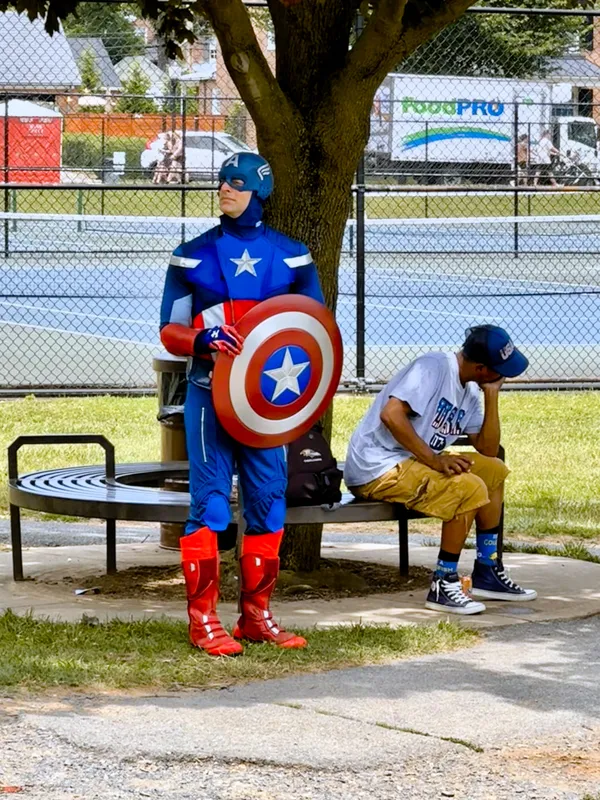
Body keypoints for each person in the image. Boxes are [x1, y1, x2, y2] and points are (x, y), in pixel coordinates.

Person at [160, 152, 324, 656]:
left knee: (269, 505)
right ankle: (203, 621)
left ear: (260, 190)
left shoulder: (293, 256)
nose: (225, 191)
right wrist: (201, 340)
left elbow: (316, 329)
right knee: (209, 506)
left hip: (267, 407)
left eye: (236, 183)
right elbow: (169, 330)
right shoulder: (191, 255)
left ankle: (256, 617)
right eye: (222, 183)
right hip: (209, 398)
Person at [344, 325, 537, 615]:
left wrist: (492, 396)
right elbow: (391, 415)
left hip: (412, 461)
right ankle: (443, 582)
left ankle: (487, 568)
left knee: (493, 471)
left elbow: (487, 448)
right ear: (482, 368)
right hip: (377, 466)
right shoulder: (432, 368)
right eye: (501, 370)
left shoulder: (471, 390)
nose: (506, 375)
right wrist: (434, 461)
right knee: (468, 486)